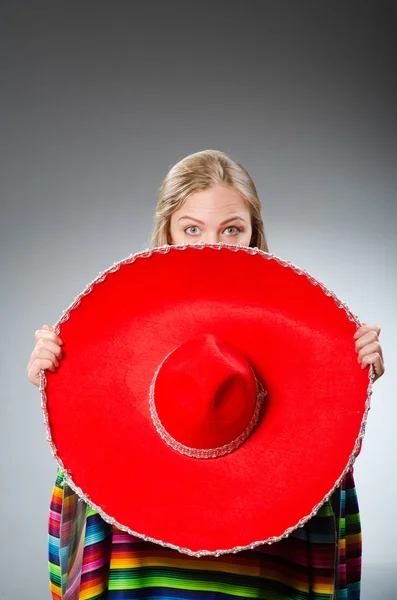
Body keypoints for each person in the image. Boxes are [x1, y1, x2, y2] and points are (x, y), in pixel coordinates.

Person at [27, 149, 385, 600]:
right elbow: (84, 475)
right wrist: (61, 384)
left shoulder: (298, 330)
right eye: (192, 227)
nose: (212, 243)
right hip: (141, 565)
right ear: (169, 232)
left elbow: (324, 473)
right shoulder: (120, 330)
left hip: (262, 567)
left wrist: (346, 381)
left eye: (231, 229)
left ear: (254, 233)